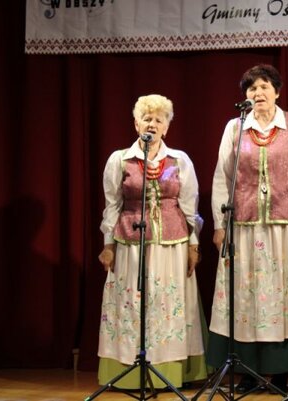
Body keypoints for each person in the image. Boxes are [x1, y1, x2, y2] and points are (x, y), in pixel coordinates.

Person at [208, 64, 288, 393]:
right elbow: (222, 177)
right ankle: (248, 369)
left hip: (286, 227)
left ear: (277, 92)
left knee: (283, 295)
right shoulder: (235, 127)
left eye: (264, 87)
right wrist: (220, 223)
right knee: (247, 296)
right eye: (252, 89)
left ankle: (281, 369)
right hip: (245, 226)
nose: (258, 93)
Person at [97, 94, 208, 388]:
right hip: (131, 244)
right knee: (132, 303)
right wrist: (108, 245)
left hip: (172, 245)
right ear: (136, 124)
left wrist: (193, 245)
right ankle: (129, 372)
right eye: (147, 118)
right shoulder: (120, 159)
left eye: (159, 120)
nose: (152, 124)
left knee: (167, 303)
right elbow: (112, 205)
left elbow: (190, 206)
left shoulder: (180, 160)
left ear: (167, 127)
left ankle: (169, 371)